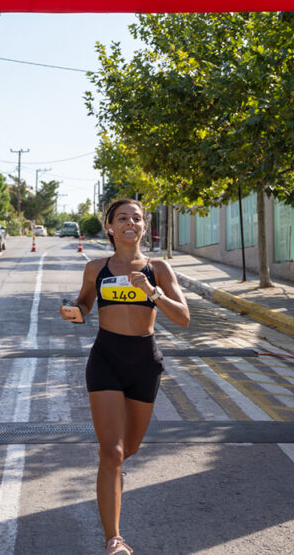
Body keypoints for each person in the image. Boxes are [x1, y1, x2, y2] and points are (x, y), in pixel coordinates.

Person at [59, 198, 190, 555]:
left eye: (137, 218)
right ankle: (114, 539)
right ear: (110, 227)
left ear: (144, 227)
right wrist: (75, 311)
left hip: (144, 362)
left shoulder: (158, 268)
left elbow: (183, 317)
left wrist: (153, 292)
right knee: (112, 452)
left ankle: (111, 476)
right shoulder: (95, 268)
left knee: (129, 448)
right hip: (106, 359)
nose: (130, 222)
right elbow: (85, 303)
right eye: (122, 218)